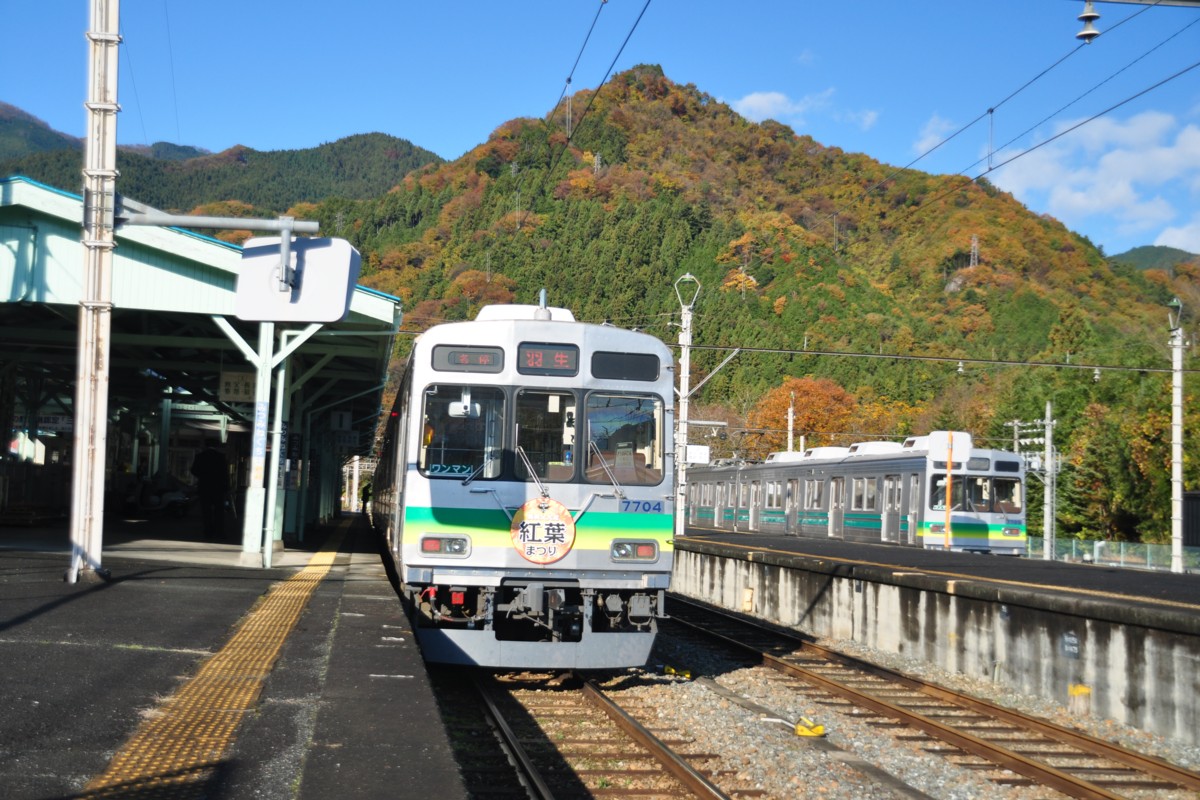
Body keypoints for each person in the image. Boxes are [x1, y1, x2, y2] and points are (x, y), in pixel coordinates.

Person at [191, 441, 229, 539]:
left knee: (206, 511)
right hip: (218, 488)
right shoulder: (221, 457)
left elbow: (193, 470)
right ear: (216, 446)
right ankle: (219, 532)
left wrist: (202, 476)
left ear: (205, 446)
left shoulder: (200, 456)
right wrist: (226, 487)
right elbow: (225, 473)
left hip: (204, 487)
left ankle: (208, 531)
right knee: (219, 511)